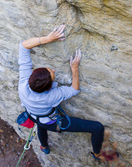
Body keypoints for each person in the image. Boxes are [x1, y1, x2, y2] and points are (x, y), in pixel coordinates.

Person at [18, 25, 105, 160]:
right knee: (97, 127)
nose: (53, 70)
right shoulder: (51, 96)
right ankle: (97, 154)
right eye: (52, 73)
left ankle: (44, 146)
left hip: (33, 114)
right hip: (52, 123)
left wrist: (47, 39)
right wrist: (74, 68)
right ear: (49, 88)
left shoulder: (24, 83)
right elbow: (74, 90)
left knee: (40, 124)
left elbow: (23, 46)